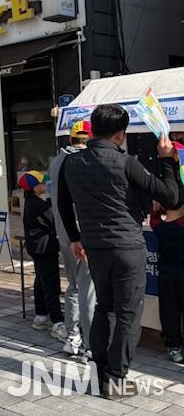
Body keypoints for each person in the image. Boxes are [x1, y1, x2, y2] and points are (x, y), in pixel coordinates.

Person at [58, 104, 180, 395]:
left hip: (94, 247)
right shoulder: (127, 163)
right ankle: (116, 379)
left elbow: (62, 204)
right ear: (121, 134)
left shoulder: (71, 162)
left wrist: (75, 238)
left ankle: (100, 374)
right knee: (127, 314)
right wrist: (166, 160)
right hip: (127, 247)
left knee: (104, 307)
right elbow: (171, 197)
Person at [49, 120, 97, 357]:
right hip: (82, 234)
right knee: (87, 289)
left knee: (74, 286)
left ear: (70, 139)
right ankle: (89, 343)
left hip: (64, 233)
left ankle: (72, 338)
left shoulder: (56, 161)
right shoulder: (83, 162)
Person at [19, 171, 65, 336]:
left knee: (41, 281)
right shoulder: (40, 206)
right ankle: (58, 322)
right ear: (36, 187)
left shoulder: (30, 203)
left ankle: (41, 316)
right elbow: (56, 221)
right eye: (43, 183)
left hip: (37, 248)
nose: (46, 185)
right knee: (51, 283)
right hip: (45, 249)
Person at [151, 179, 184, 363]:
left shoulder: (160, 227)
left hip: (165, 276)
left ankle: (173, 347)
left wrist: (155, 208)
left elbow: (154, 218)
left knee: (169, 311)